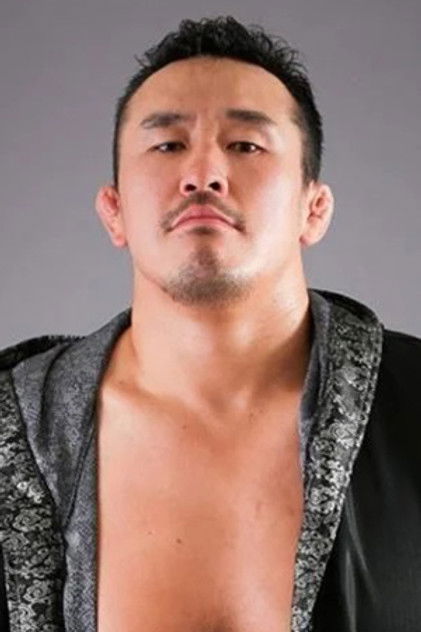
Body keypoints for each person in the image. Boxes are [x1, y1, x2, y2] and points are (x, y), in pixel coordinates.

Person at [0, 15, 420, 632]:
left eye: (245, 145)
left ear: (314, 208)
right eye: (168, 145)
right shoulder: (12, 429)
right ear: (114, 211)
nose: (203, 174)